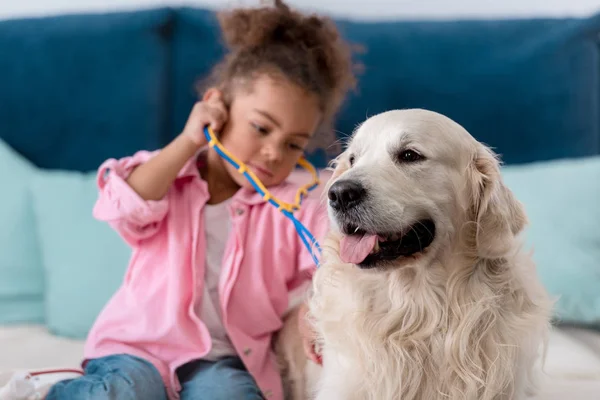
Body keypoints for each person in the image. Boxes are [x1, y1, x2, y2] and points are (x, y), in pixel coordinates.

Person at [45, 1, 357, 399]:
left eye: (293, 144)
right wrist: (188, 140)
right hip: (138, 349)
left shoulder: (298, 198)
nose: (273, 152)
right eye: (261, 128)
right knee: (126, 391)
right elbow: (122, 205)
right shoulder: (171, 177)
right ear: (218, 106)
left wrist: (318, 308)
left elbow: (334, 251)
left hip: (222, 358)